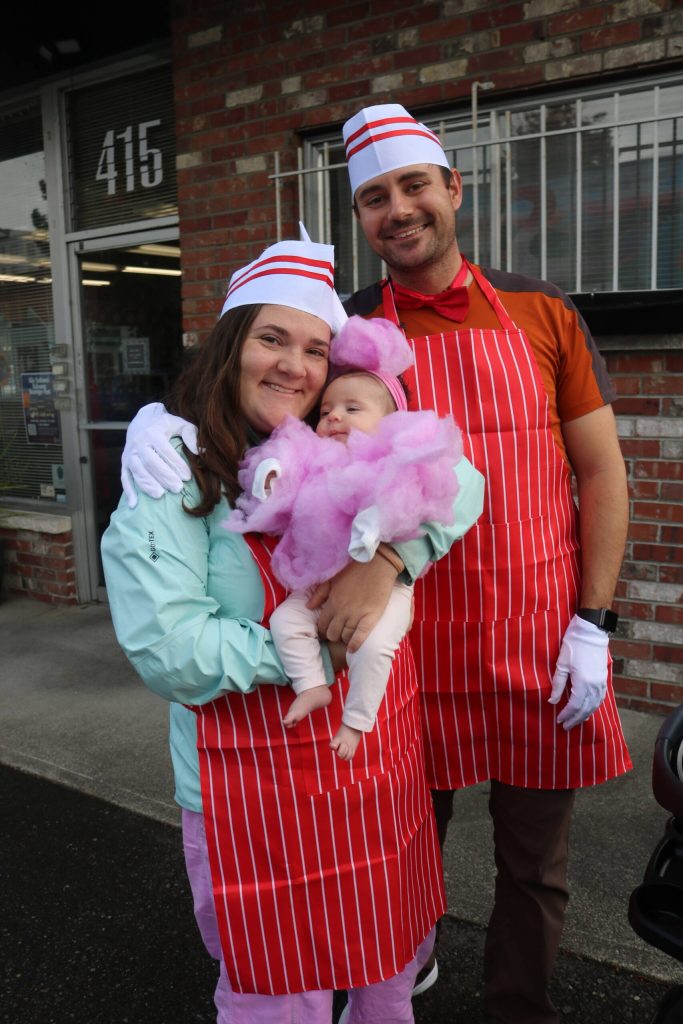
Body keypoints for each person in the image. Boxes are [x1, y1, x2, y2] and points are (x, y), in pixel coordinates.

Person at [120, 103, 633, 1024]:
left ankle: (512, 1008)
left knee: (533, 865)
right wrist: (157, 422)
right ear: (358, 217)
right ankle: (398, 962)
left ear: (452, 189)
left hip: (528, 632)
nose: (396, 209)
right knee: (401, 851)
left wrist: (591, 621)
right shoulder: (347, 328)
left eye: (412, 186)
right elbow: (248, 376)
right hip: (407, 652)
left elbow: (596, 473)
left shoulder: (543, 312)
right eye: (371, 197)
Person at [102, 236, 484, 1024]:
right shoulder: (171, 468)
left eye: (315, 348)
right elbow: (170, 650)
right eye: (271, 338)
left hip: (370, 771)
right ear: (229, 342)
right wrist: (315, 649)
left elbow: (462, 476)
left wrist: (387, 559)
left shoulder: (332, 436)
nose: (295, 366)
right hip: (249, 793)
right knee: (278, 997)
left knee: (383, 970)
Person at [227, 313, 467, 760]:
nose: (334, 416)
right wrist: (272, 476)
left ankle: (357, 720)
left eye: (352, 410)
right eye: (326, 411)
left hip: (386, 586)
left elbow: (408, 500)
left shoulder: (396, 459)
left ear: (392, 423)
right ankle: (312, 685)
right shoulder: (317, 457)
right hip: (318, 583)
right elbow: (282, 466)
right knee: (285, 624)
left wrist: (380, 548)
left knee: (373, 646)